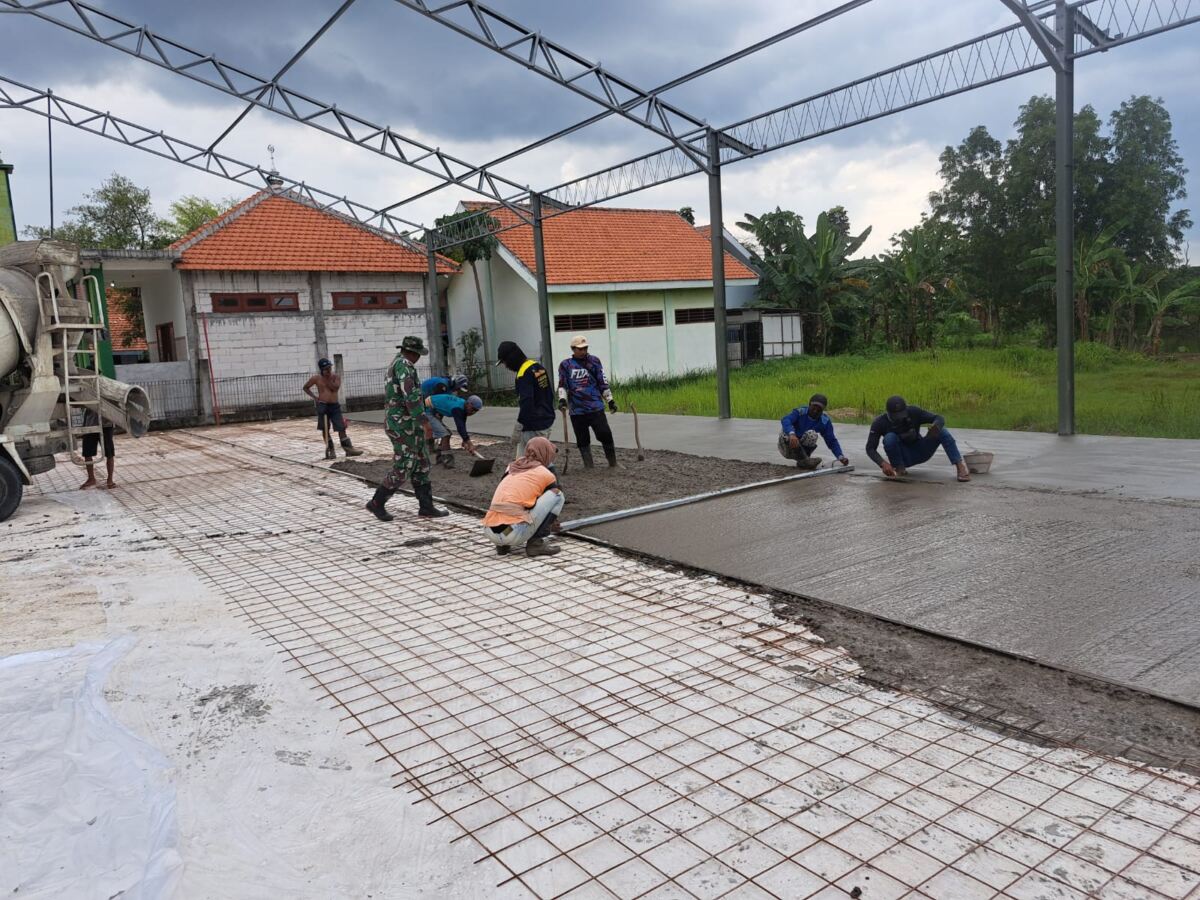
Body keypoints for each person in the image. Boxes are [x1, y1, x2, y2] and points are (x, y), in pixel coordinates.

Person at [366, 336, 449, 521]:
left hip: (409, 424)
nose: (419, 358)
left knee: (421, 463)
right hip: (402, 424)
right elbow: (410, 397)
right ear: (413, 353)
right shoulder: (404, 365)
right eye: (418, 354)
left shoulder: (397, 363)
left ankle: (426, 507)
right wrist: (425, 422)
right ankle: (376, 503)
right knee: (404, 464)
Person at [481, 436, 564, 558]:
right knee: (557, 495)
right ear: (545, 453)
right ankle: (536, 544)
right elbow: (545, 502)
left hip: (490, 531)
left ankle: (502, 546)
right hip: (512, 533)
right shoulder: (545, 474)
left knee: (513, 502)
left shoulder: (511, 467)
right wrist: (551, 522)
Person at [866, 395, 971, 482]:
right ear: (888, 413)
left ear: (906, 410)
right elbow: (870, 448)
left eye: (901, 415)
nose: (899, 419)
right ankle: (900, 469)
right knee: (889, 438)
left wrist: (935, 426)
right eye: (896, 417)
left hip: (921, 450)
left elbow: (939, 417)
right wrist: (882, 463)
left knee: (942, 430)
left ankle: (960, 466)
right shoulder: (879, 423)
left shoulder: (914, 412)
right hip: (903, 458)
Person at [557, 335, 619, 468]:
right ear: (573, 349)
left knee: (605, 434)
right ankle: (589, 465)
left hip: (595, 407)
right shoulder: (565, 365)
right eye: (580, 349)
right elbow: (562, 384)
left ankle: (613, 463)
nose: (583, 351)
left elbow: (603, 382)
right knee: (582, 439)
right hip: (577, 410)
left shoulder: (594, 361)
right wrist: (562, 399)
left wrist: (610, 401)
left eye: (585, 348)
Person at [495, 340, 556, 458]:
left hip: (532, 425)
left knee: (525, 461)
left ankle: (550, 474)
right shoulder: (537, 367)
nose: (506, 366)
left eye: (505, 362)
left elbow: (526, 402)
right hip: (546, 419)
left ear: (511, 358)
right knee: (541, 456)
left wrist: (519, 425)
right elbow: (548, 393)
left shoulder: (523, 374)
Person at [303, 358, 363, 459]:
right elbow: (305, 387)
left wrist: (327, 379)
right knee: (325, 428)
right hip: (322, 405)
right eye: (326, 369)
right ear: (322, 369)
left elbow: (334, 388)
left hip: (334, 406)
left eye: (330, 368)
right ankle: (330, 449)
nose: (329, 370)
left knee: (341, 427)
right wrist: (315, 398)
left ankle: (348, 449)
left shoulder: (335, 377)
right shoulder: (316, 378)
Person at [778, 393, 849, 470]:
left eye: (819, 409)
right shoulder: (800, 412)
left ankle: (803, 462)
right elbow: (785, 420)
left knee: (812, 435)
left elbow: (831, 441)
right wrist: (791, 434)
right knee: (787, 432)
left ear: (823, 410)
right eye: (813, 408)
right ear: (809, 405)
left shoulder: (824, 421)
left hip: (801, 451)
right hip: (786, 447)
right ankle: (806, 461)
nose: (815, 411)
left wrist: (840, 456)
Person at [425, 392, 484, 467]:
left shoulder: (463, 406)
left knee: (447, 433)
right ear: (468, 404)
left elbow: (462, 425)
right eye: (473, 409)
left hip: (433, 409)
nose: (473, 412)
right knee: (445, 434)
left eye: (476, 411)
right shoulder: (458, 408)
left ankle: (439, 458)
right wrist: (470, 444)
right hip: (427, 410)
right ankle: (447, 460)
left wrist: (465, 441)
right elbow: (460, 427)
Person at [79, 407, 116, 490]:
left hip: (106, 422)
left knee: (109, 452)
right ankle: (91, 478)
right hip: (90, 422)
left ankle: (110, 479)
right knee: (87, 452)